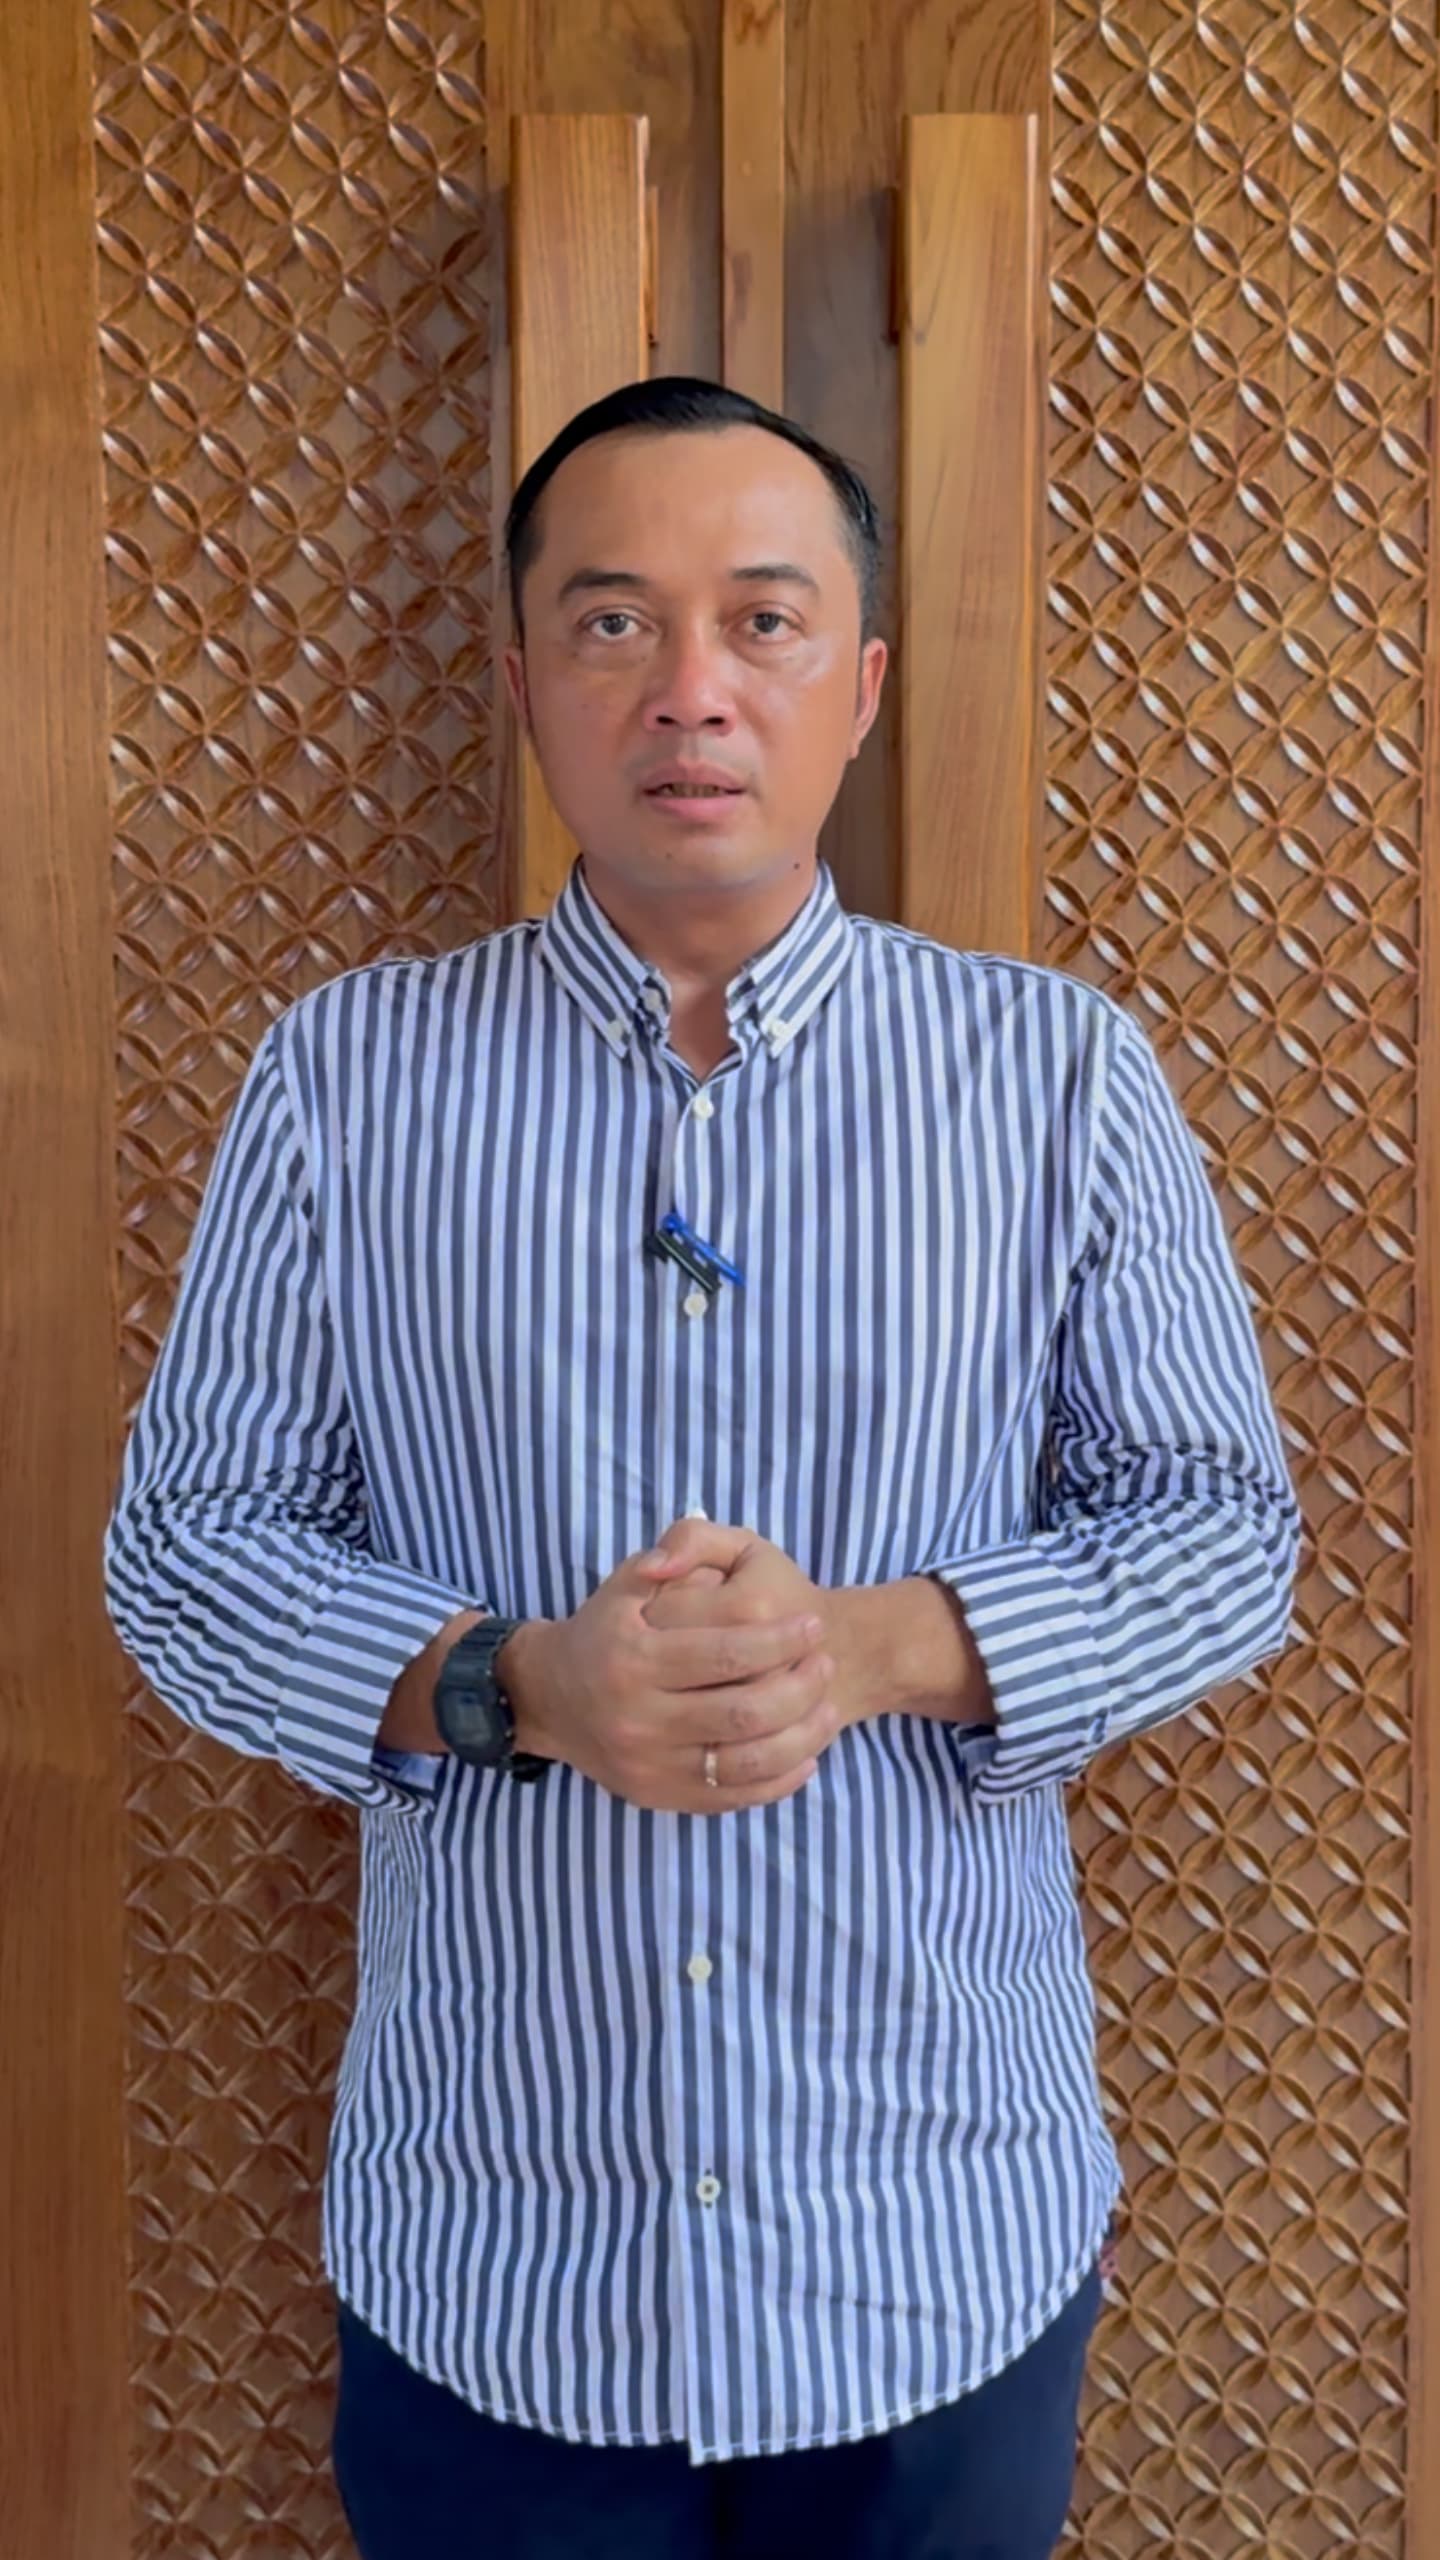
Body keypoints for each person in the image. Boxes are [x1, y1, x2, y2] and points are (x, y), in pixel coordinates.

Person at [104, 375, 1299, 2560]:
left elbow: (1223, 1528)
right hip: (499, 2252)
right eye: (612, 622)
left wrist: (881, 1644)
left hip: (935, 2233)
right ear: (521, 686)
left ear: (861, 683)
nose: (690, 689)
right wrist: (514, 1686)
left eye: (760, 619)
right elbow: (187, 1550)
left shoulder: (1056, 1074)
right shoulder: (346, 1076)